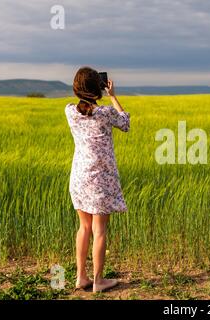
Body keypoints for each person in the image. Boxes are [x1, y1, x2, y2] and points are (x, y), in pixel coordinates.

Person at [64, 66, 130, 292]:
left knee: (84, 227)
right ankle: (99, 281)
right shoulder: (104, 113)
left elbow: (85, 109)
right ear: (98, 89)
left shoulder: (69, 111)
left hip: (79, 178)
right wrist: (113, 97)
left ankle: (81, 277)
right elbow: (125, 123)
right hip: (101, 180)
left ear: (77, 90)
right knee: (99, 230)